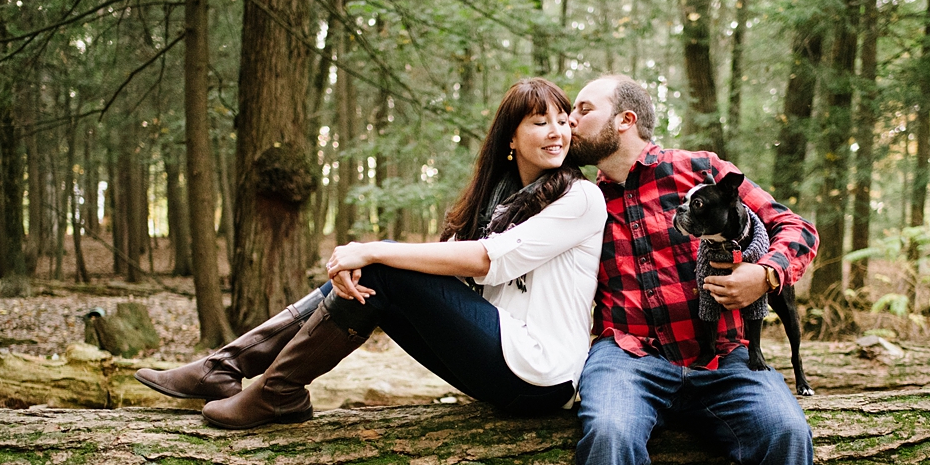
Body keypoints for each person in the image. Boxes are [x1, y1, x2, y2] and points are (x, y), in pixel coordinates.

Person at [135, 78, 607, 427]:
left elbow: (487, 259)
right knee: (380, 276)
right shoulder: (496, 201)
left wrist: (371, 249)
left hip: (543, 377)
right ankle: (227, 369)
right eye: (540, 122)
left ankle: (275, 389)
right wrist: (362, 265)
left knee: (386, 269)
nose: (557, 133)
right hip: (504, 358)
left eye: (564, 122)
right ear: (510, 137)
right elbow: (450, 264)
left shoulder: (579, 198)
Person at [563, 75, 819, 465]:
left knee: (788, 434)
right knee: (608, 436)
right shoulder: (579, 198)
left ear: (625, 120)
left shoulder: (700, 171)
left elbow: (796, 228)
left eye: (583, 109)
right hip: (626, 357)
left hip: (725, 359)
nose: (570, 120)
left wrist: (766, 273)